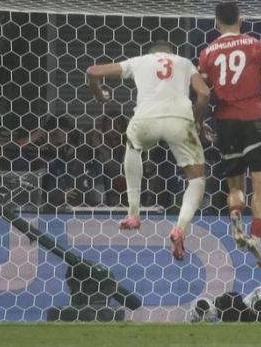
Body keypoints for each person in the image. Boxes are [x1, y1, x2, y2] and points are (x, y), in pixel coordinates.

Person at [86, 40, 210, 261]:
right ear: (171, 54)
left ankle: (134, 212)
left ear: (151, 54)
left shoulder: (139, 62)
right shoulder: (184, 63)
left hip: (146, 119)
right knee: (197, 180)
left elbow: (92, 71)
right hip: (180, 120)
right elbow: (204, 94)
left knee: (133, 147)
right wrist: (198, 122)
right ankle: (180, 228)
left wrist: (99, 95)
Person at [198, 2, 261, 270]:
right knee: (260, 182)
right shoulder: (256, 47)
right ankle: (256, 234)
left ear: (216, 22)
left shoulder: (207, 53)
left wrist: (201, 121)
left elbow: (203, 92)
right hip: (253, 119)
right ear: (241, 20)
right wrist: (259, 110)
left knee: (235, 186)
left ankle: (235, 220)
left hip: (225, 121)